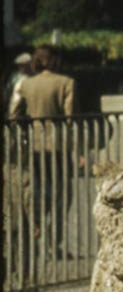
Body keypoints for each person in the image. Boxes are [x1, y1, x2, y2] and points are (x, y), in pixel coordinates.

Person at [10, 44, 77, 257]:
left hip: (34, 145)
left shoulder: (25, 84)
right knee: (63, 195)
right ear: (55, 60)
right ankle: (51, 241)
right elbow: (69, 116)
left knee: (38, 190)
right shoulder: (66, 83)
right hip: (58, 146)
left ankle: (34, 226)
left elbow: (13, 113)